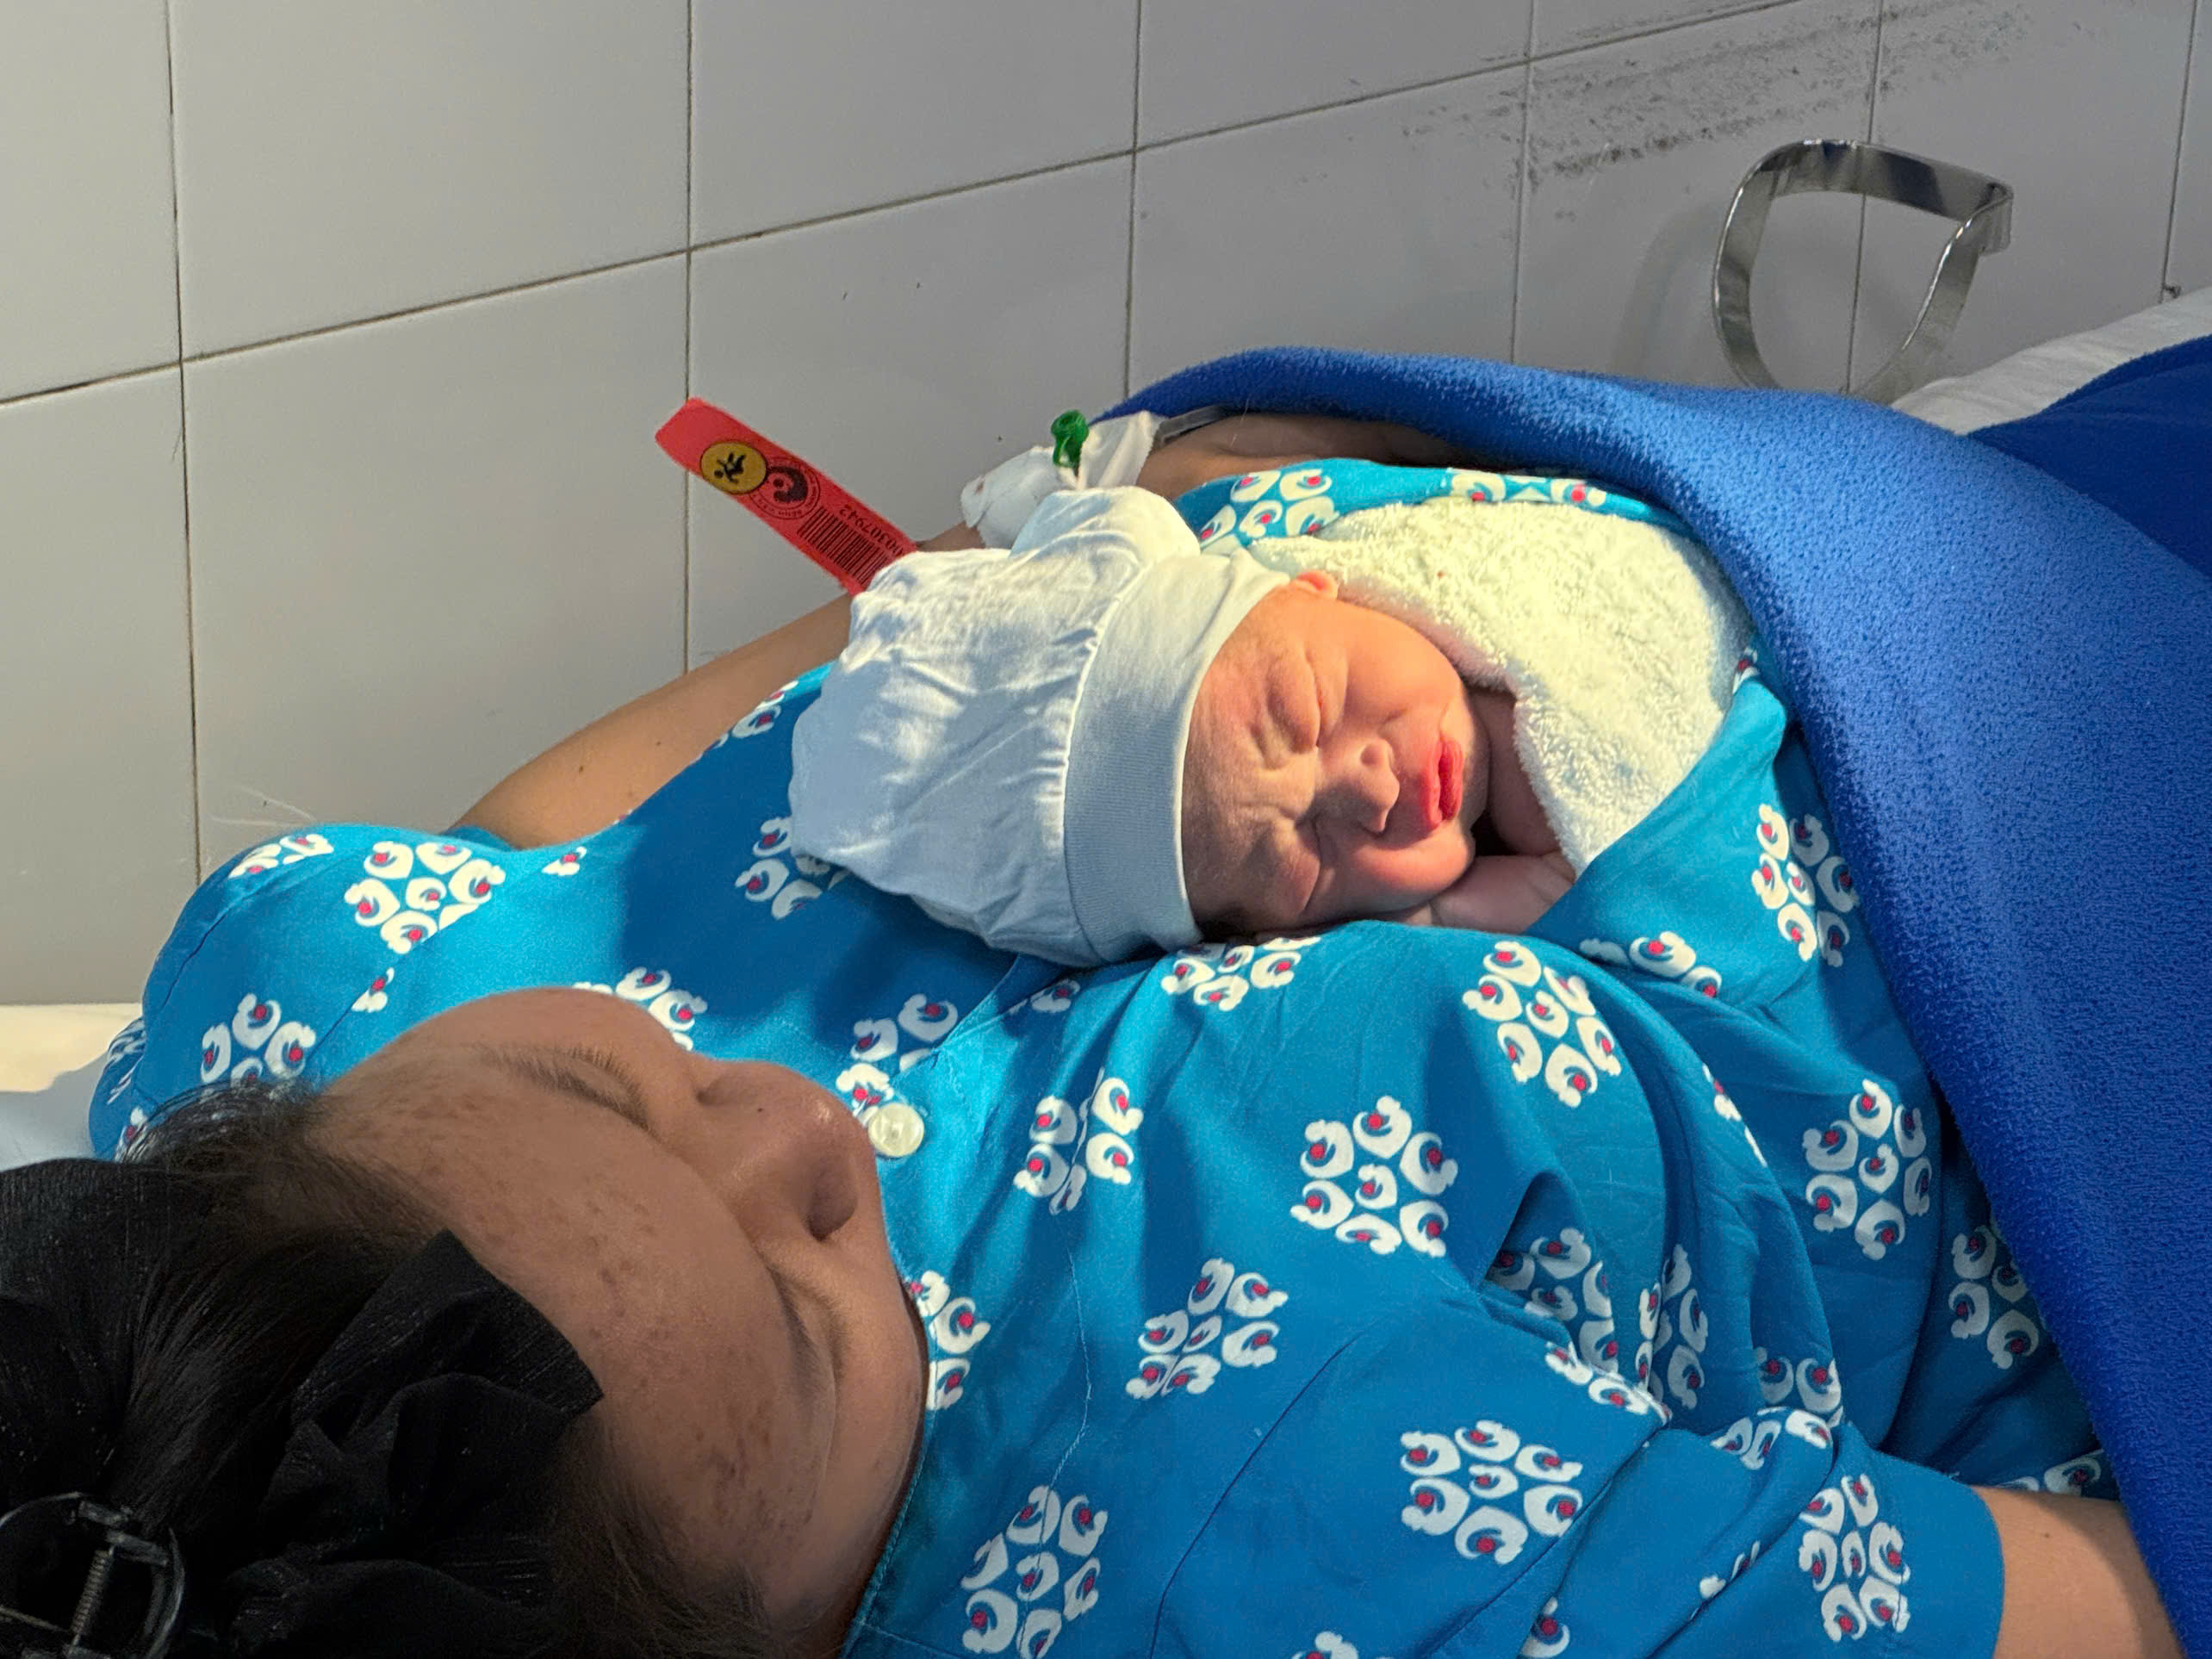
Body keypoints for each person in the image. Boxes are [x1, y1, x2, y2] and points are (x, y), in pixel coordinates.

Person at [19, 412, 2182, 1659]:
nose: (792, 1128)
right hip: (2018, 915)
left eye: (604, 1079)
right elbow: (2120, 1597)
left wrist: (1061, 561)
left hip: (1578, 561)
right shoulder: (1293, 1565)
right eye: (807, 1325)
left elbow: (530, 834)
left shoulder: (285, 1025)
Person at [789, 419, 1746, 966]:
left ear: (1309, 586)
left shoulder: (1396, 562)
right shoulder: (1496, 846)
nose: (1369, 790)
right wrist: (1443, 915)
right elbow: (1609, 896)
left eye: (1312, 711)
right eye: (1311, 856)